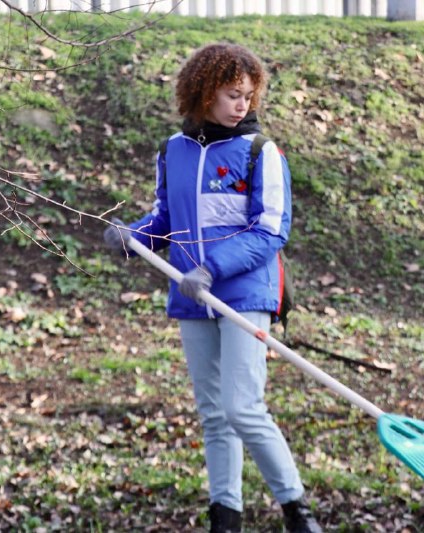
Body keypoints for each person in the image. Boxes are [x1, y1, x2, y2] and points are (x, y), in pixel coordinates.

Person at [103, 43, 321, 533]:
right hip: (191, 295)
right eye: (231, 95)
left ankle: (297, 511)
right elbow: (165, 219)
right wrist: (132, 237)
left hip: (244, 294)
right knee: (215, 415)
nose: (242, 105)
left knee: (242, 407)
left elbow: (271, 230)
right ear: (203, 93)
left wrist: (212, 268)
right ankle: (226, 516)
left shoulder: (261, 153)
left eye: (248, 95)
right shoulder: (173, 151)